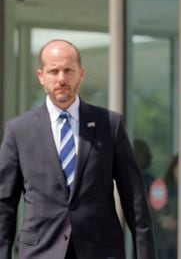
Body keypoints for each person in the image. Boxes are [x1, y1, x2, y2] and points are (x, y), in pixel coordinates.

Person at [0, 39, 157, 259]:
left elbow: (135, 199)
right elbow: (4, 204)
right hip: (41, 251)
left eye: (68, 70)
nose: (61, 78)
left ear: (81, 74)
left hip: (101, 250)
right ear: (41, 76)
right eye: (54, 71)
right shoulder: (19, 131)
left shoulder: (108, 125)